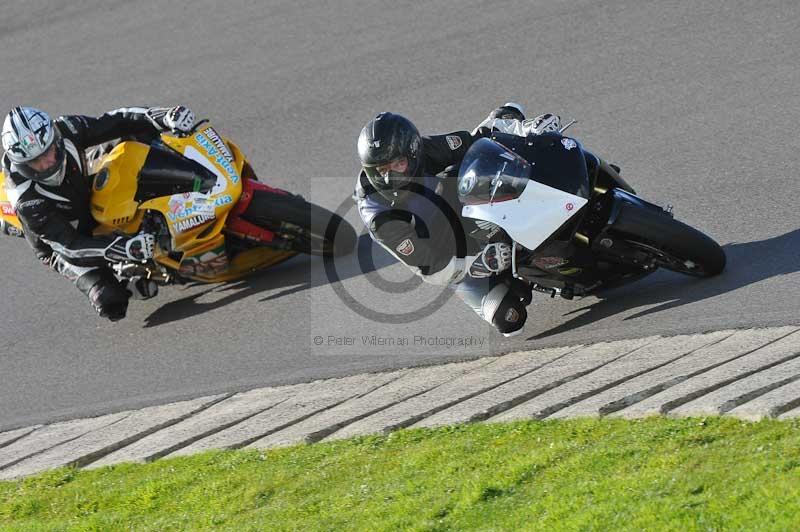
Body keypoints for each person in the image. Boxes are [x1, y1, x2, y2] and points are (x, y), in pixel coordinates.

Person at [355, 104, 558, 336]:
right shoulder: (381, 219)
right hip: (449, 253)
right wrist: (480, 262)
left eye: (398, 164)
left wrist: (526, 128)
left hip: (455, 205)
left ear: (413, 153)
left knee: (502, 125)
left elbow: (477, 138)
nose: (391, 177)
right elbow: (431, 268)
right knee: (509, 319)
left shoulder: (427, 150)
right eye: (380, 170)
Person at [1, 105, 196, 321]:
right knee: (110, 302)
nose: (47, 163)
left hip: (81, 185)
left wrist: (164, 116)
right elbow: (70, 246)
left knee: (136, 135)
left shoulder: (66, 128)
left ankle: (193, 181)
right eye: (35, 162)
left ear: (55, 139)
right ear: (23, 165)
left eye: (48, 152)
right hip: (62, 241)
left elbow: (116, 120)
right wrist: (121, 249)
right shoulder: (27, 201)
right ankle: (128, 279)